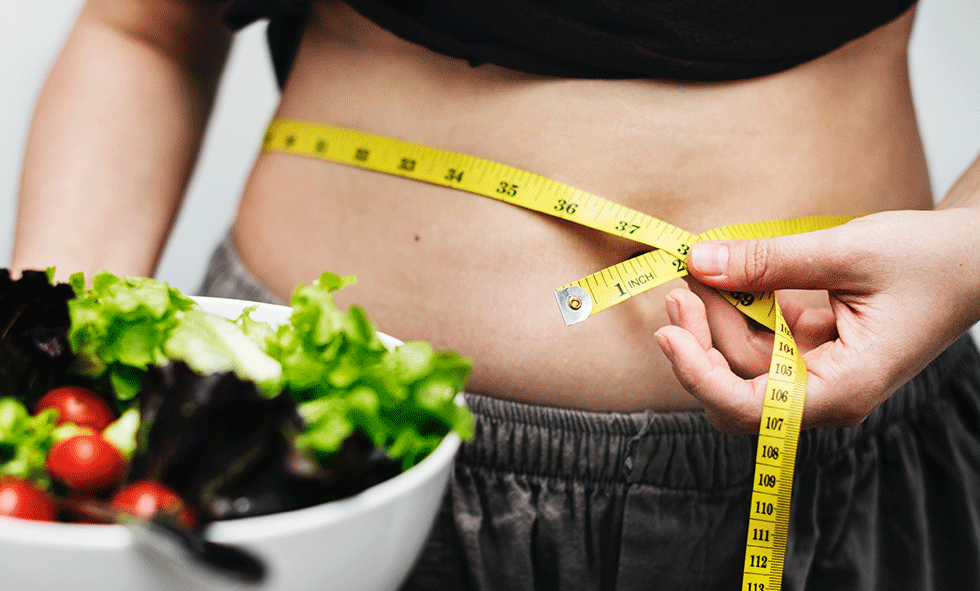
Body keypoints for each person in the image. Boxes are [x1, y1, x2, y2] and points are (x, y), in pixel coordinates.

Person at [10, 1, 980, 589]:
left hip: (833, 469)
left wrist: (967, 253)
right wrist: (34, 381)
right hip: (306, 474)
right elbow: (142, 27)